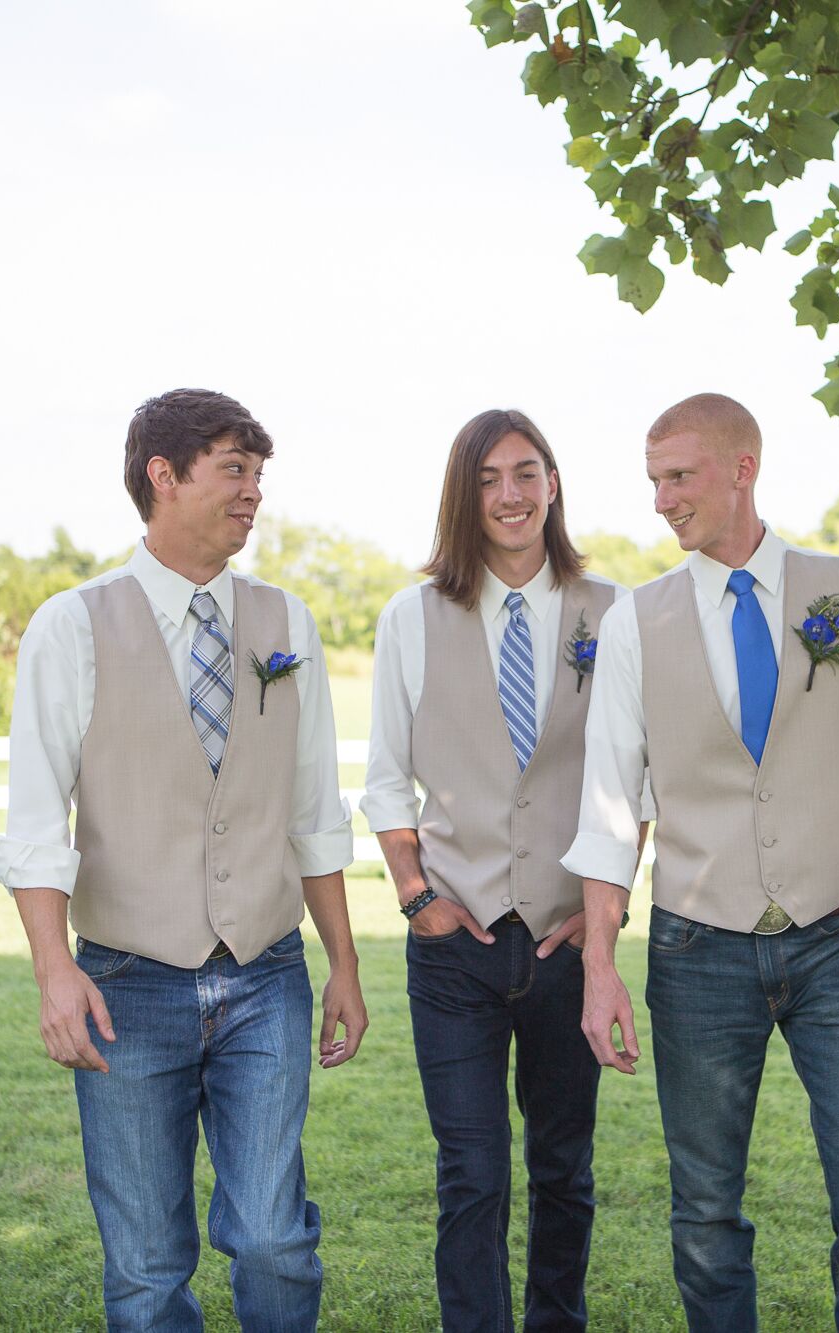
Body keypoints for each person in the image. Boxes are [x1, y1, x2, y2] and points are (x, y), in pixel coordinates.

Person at [564, 392, 839, 1332]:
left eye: (679, 476)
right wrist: (600, 965)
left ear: (744, 468)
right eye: (653, 480)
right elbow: (611, 810)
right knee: (703, 1215)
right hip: (697, 952)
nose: (661, 500)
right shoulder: (632, 623)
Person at [0, 388, 366, 1332]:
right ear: (164, 476)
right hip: (124, 981)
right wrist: (53, 971)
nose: (253, 494)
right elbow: (37, 823)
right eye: (234, 469)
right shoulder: (71, 625)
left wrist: (345, 965)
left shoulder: (288, 623)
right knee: (148, 1266)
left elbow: (316, 810)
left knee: (276, 1236)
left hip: (266, 973)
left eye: (257, 476)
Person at [363, 408, 648, 1331]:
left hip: (571, 944)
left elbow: (638, 782)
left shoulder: (615, 612)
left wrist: (603, 920)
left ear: (553, 484)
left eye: (526, 472)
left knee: (564, 1169)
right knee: (472, 1172)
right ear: (464, 496)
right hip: (454, 949)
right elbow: (383, 782)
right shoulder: (413, 616)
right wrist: (418, 900)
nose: (510, 494)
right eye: (487, 479)